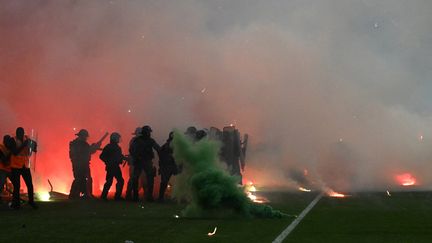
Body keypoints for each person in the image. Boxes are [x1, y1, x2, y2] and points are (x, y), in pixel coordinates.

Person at [69, 129, 103, 199]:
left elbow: (88, 151)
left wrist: (94, 147)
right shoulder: (79, 144)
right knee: (80, 179)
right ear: (82, 136)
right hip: (80, 164)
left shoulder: (77, 144)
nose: (85, 138)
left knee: (83, 179)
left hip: (82, 164)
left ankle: (85, 194)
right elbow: (88, 151)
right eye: (85, 136)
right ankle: (75, 195)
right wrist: (94, 147)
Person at [129, 125, 160, 202]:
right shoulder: (140, 140)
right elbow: (131, 150)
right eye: (148, 132)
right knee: (138, 179)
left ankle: (145, 196)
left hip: (144, 161)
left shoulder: (141, 140)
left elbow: (158, 148)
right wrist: (136, 157)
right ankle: (138, 196)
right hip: (143, 162)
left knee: (146, 179)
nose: (149, 133)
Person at [9, 127, 38, 209]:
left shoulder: (26, 138)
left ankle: (31, 202)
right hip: (15, 166)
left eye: (21, 133)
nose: (20, 135)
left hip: (25, 165)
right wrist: (23, 145)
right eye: (19, 133)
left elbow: (33, 146)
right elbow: (15, 152)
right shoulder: (13, 140)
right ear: (17, 133)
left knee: (30, 184)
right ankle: (16, 204)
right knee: (17, 186)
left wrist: (34, 146)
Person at [99, 132, 126, 201]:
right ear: (114, 139)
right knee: (118, 181)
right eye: (117, 138)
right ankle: (116, 197)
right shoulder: (113, 147)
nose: (119, 140)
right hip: (113, 167)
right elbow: (102, 156)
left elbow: (119, 156)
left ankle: (104, 196)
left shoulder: (110, 146)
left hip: (113, 166)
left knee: (111, 181)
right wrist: (108, 161)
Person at [125, 127, 147, 200]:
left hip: (137, 162)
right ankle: (129, 195)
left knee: (142, 178)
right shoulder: (135, 141)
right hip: (135, 163)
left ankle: (144, 194)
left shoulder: (135, 140)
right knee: (134, 179)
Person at [158, 132, 178, 202]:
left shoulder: (175, 145)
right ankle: (161, 197)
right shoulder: (167, 145)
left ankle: (166, 197)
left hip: (172, 166)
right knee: (164, 182)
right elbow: (161, 154)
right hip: (167, 166)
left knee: (173, 181)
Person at [0, 135, 12, 202]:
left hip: (10, 169)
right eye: (7, 141)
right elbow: (4, 161)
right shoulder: (1, 148)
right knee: (1, 184)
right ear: (4, 141)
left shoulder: (11, 148)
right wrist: (11, 153)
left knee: (16, 184)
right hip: (2, 169)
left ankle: (15, 199)